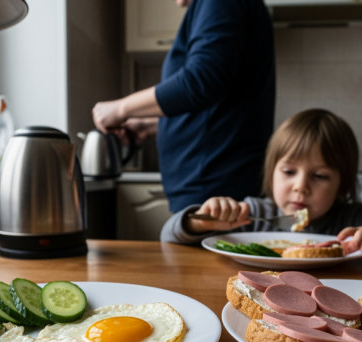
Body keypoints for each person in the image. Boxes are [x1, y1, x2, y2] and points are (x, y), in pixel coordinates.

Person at [161, 109, 362, 259]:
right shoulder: (251, 215)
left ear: (342, 185)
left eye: (320, 176)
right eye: (289, 171)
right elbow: (168, 236)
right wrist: (201, 221)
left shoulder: (350, 221)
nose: (300, 186)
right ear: (271, 174)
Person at [92, 0, 275, 212]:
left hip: (214, 188)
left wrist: (121, 108)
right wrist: (154, 126)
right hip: (212, 184)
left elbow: (202, 81)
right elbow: (217, 106)